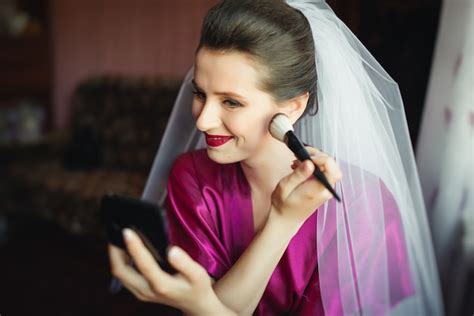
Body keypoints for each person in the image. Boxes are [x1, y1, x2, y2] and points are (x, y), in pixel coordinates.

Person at [108, 0, 443, 315]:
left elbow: (206, 306)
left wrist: (204, 307)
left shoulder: (364, 206)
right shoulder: (192, 176)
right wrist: (281, 222)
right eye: (200, 93)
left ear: (292, 107)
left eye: (231, 102)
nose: (202, 120)